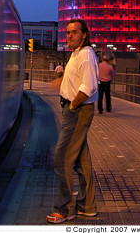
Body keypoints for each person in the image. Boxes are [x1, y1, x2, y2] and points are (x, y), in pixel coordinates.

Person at [46, 19, 99, 224]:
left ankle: (65, 209)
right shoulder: (77, 54)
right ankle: (87, 206)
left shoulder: (85, 54)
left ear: (84, 34)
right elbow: (77, 80)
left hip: (78, 111)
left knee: (62, 157)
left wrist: (73, 105)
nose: (69, 36)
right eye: (67, 32)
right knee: (81, 159)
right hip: (75, 110)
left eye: (74, 32)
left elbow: (89, 86)